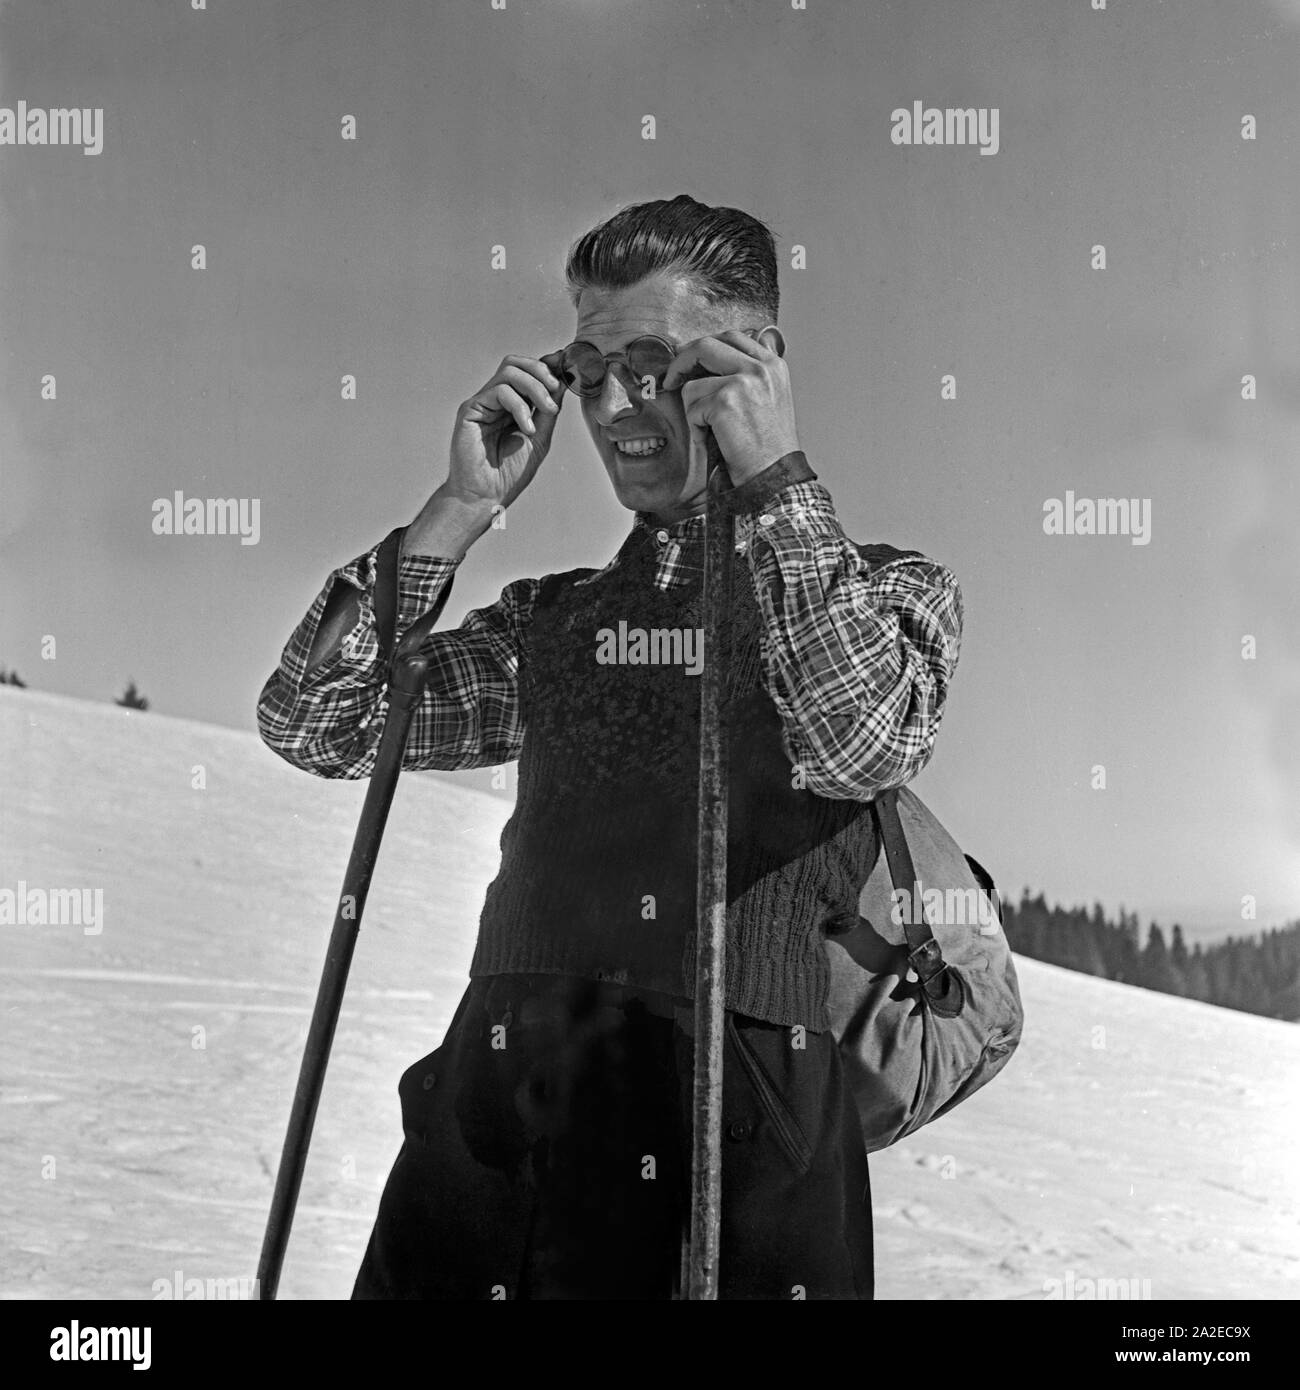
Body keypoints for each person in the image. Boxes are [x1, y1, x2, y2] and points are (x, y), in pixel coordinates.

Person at [257, 194, 963, 1300]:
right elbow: (320, 718)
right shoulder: (556, 622)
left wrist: (773, 474)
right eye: (589, 369)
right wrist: (457, 507)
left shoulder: (883, 592)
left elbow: (857, 740)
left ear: (754, 362)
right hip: (495, 1120)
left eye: (653, 361)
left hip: (738, 1136)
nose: (616, 403)